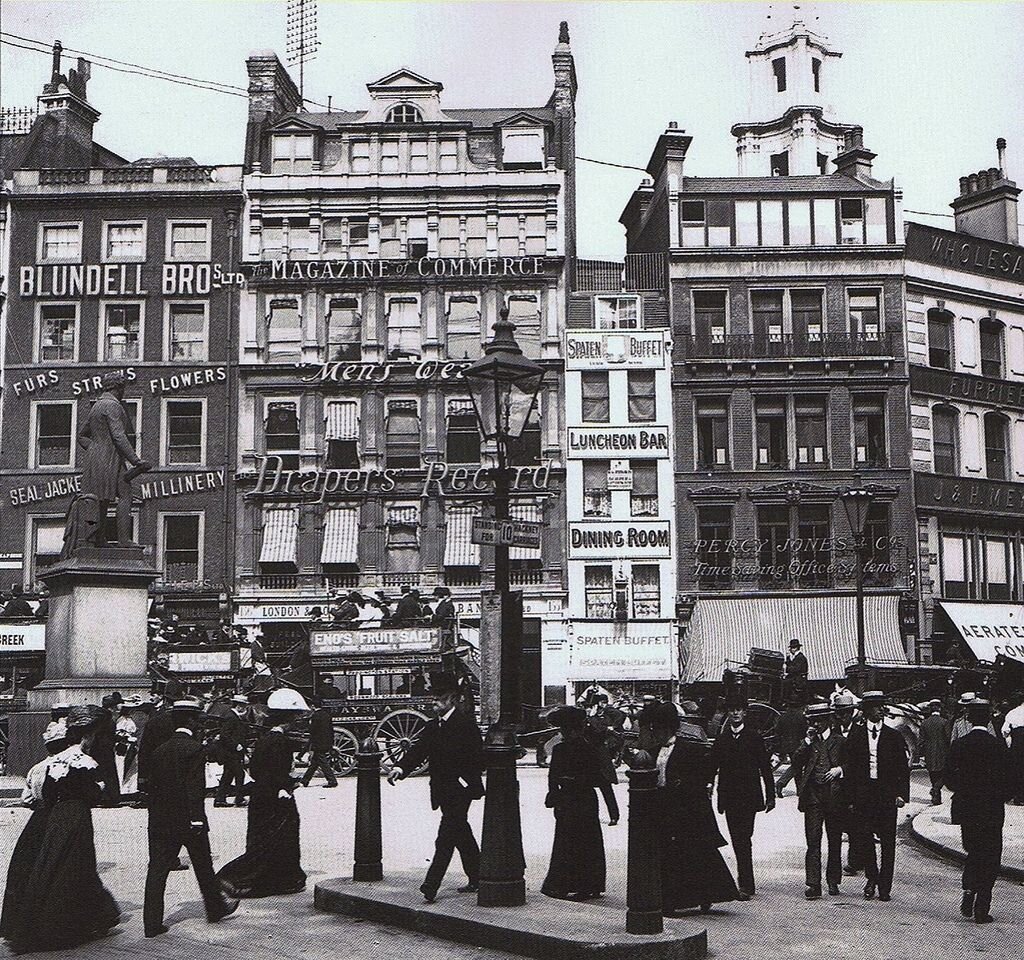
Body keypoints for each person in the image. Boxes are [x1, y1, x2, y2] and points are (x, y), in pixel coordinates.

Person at [2, 705, 120, 954]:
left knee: (52, 868)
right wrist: (98, 790)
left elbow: (39, 796)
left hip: (51, 819)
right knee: (75, 868)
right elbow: (100, 795)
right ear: (90, 735)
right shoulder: (84, 762)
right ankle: (64, 925)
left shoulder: (51, 762)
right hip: (75, 819)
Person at [143, 699, 239, 938]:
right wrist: (197, 819)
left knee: (157, 871)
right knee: (204, 866)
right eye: (198, 720)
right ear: (191, 721)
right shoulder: (194, 749)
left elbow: (153, 790)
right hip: (188, 821)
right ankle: (215, 909)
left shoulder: (159, 751)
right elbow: (194, 789)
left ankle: (151, 923)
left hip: (161, 821)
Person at [387, 673, 484, 903]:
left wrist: (464, 779)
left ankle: (431, 885)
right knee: (461, 833)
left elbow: (478, 758)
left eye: (438, 698)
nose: (434, 702)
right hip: (442, 790)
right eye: (433, 698)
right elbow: (419, 751)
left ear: (451, 699)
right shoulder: (433, 726)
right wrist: (400, 768)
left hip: (461, 790)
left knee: (445, 836)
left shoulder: (466, 724)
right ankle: (479, 875)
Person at [646, 701, 738, 914]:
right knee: (669, 856)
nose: (655, 734)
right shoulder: (652, 751)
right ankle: (670, 899)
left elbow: (702, 776)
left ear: (668, 728)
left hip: (686, 810)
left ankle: (701, 897)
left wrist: (684, 784)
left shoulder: (689, 749)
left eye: (658, 729)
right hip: (663, 807)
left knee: (692, 855)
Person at [218, 688, 309, 898]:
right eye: (295, 717)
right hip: (275, 797)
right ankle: (232, 876)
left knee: (265, 839)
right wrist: (285, 786)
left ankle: (283, 878)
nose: (297, 721)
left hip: (262, 795)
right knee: (277, 839)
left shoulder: (265, 739)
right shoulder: (280, 741)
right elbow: (276, 771)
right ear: (288, 718)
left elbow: (257, 770)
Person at [64, 370, 151, 552]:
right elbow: (118, 436)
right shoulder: (113, 406)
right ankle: (123, 540)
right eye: (123, 388)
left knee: (100, 499)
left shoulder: (96, 406)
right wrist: (135, 460)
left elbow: (81, 436)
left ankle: (100, 538)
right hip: (109, 457)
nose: (124, 391)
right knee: (125, 494)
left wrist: (95, 448)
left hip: (96, 458)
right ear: (118, 388)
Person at [945, 699, 1013, 924]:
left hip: (967, 809)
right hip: (992, 810)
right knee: (991, 855)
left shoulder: (959, 745)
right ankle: (982, 906)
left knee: (973, 850)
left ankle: (968, 888)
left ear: (969, 719)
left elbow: (949, 780)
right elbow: (1010, 782)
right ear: (989, 720)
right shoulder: (998, 746)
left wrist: (964, 790)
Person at [0, 720, 68, 941]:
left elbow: (26, 799)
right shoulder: (70, 765)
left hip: (38, 820)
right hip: (60, 818)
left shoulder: (36, 768)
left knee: (26, 867)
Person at [842, 691, 909, 902]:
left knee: (888, 841)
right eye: (876, 706)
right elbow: (850, 769)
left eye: (881, 706)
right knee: (865, 839)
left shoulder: (894, 736)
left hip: (886, 794)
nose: (880, 709)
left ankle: (885, 885)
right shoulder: (856, 736)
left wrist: (901, 795)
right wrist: (850, 799)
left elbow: (902, 768)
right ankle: (872, 877)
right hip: (864, 794)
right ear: (867, 710)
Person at [708, 692, 776, 899]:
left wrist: (771, 795)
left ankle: (745, 883)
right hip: (729, 798)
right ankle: (745, 883)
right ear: (728, 713)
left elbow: (765, 768)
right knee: (737, 839)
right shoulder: (722, 739)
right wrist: (709, 786)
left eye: (739, 710)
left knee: (743, 838)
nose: (735, 713)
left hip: (749, 797)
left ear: (744, 713)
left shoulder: (754, 738)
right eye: (732, 710)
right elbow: (713, 767)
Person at [540, 706, 606, 900]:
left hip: (573, 798)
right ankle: (587, 884)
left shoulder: (570, 749)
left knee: (571, 842)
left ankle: (571, 884)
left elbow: (554, 778)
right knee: (584, 842)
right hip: (580, 799)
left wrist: (559, 792)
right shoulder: (586, 748)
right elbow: (598, 779)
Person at [789, 703, 846, 899]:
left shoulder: (840, 741)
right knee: (813, 841)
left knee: (834, 840)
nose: (817, 724)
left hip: (834, 796)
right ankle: (813, 884)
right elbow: (796, 762)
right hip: (813, 797)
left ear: (829, 720)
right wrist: (806, 741)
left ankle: (833, 880)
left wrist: (840, 770)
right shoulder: (809, 742)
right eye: (814, 720)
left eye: (821, 719)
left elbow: (852, 763)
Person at [214, 695, 250, 807]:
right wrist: (236, 746)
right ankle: (238, 799)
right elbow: (225, 735)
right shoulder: (231, 717)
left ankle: (220, 799)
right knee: (239, 774)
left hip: (231, 752)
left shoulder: (232, 716)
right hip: (231, 752)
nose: (244, 708)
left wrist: (243, 746)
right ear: (238, 706)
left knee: (228, 775)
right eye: (243, 706)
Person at [774, 700, 809, 797]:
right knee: (797, 766)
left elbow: (778, 731)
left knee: (797, 764)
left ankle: (800, 790)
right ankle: (781, 783)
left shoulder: (783, 716)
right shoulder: (801, 716)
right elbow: (804, 731)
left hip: (786, 746)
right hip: (798, 744)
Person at [919, 700, 952, 806]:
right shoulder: (944, 722)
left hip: (929, 752)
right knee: (944, 774)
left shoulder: (924, 723)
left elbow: (921, 741)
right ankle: (936, 789)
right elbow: (948, 738)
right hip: (943, 752)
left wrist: (921, 755)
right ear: (940, 709)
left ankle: (936, 798)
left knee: (933, 775)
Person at [301, 697, 339, 788]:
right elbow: (331, 730)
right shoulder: (326, 715)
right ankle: (304, 781)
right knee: (314, 763)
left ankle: (332, 781)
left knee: (323, 763)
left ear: (313, 706)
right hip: (326, 742)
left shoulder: (315, 716)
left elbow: (312, 730)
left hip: (318, 743)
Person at [93, 693, 123, 804]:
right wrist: (118, 738)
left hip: (98, 749)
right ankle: (110, 797)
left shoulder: (99, 717)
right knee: (109, 773)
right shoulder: (108, 719)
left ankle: (104, 796)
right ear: (111, 707)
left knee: (102, 773)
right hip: (105, 749)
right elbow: (108, 735)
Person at [1001, 691, 1024, 805]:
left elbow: (1005, 731)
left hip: (1018, 743)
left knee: (1018, 769)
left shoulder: (1012, 713)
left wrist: (1010, 743)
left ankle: (1019, 796)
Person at [785, 639, 809, 703]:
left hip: (798, 681)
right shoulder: (796, 657)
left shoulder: (800, 657)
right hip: (796, 678)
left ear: (796, 648)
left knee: (784, 682)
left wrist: (786, 669)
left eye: (792, 648)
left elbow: (796, 669)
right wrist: (788, 658)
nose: (790, 650)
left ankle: (785, 699)